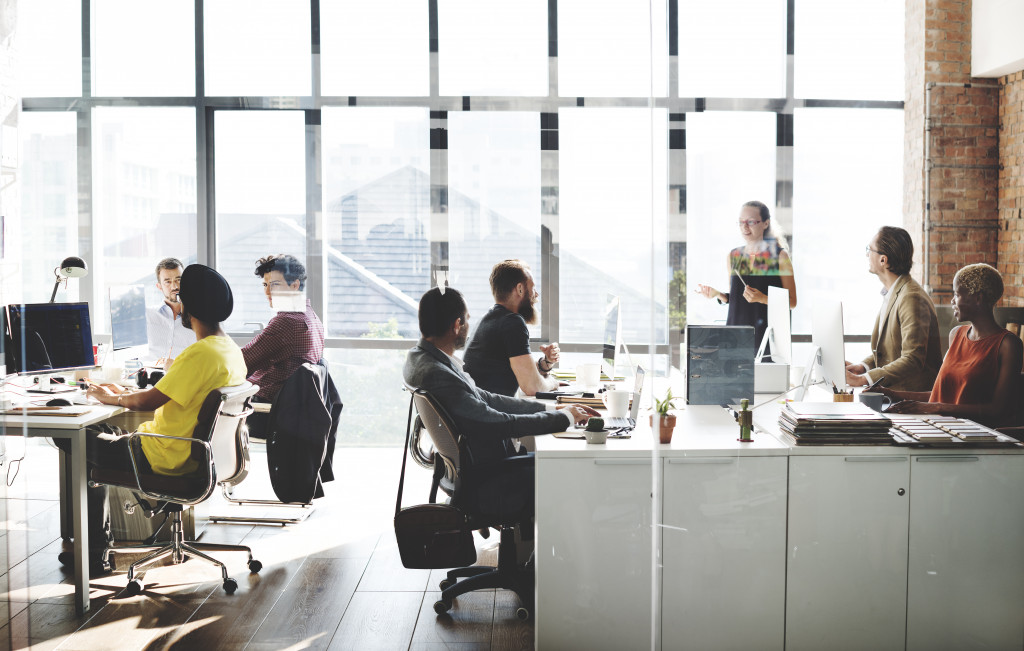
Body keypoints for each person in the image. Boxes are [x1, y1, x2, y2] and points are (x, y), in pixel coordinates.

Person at [60, 264, 246, 572]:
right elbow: (168, 392)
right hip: (190, 454)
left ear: (189, 307)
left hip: (160, 456)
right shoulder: (228, 350)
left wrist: (110, 396)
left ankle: (93, 555)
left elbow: (148, 400)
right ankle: (94, 547)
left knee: (72, 436)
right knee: (98, 430)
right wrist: (119, 393)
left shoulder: (200, 353)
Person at [404, 286, 596, 515]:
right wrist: (563, 418)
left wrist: (551, 407)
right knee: (574, 466)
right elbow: (499, 423)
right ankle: (560, 548)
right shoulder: (438, 373)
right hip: (489, 480)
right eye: (466, 320)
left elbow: (485, 397)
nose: (467, 326)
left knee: (560, 460)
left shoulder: (420, 357)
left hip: (469, 471)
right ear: (456, 326)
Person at [880, 263, 1023, 428]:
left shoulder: (1008, 345)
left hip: (975, 436)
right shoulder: (956, 334)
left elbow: (997, 410)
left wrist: (935, 408)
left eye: (957, 294)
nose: (952, 301)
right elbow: (940, 396)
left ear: (978, 298)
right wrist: (892, 394)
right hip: (939, 428)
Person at [844, 226, 942, 391]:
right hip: (894, 395)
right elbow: (890, 352)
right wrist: (863, 368)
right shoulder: (895, 292)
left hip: (910, 398)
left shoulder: (911, 297)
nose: (867, 254)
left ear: (883, 260)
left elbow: (912, 359)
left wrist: (863, 380)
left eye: (870, 250)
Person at [241, 254, 325, 438]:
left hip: (268, 414)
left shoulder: (287, 322)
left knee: (201, 405)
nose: (267, 292)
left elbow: (242, 362)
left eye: (275, 284)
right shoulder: (310, 316)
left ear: (295, 285)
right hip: (291, 410)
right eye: (265, 285)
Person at [696, 201, 797, 352]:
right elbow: (737, 298)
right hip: (734, 338)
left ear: (765, 223)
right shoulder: (734, 256)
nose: (744, 227)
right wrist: (718, 295)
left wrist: (762, 298)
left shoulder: (779, 256)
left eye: (751, 222)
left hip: (766, 340)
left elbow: (792, 302)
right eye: (741, 222)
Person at [463, 260, 560, 397]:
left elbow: (520, 369)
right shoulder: (512, 322)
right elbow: (532, 387)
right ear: (520, 289)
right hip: (491, 413)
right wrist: (552, 383)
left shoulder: (491, 319)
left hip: (481, 408)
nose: (536, 294)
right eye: (533, 288)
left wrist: (546, 363)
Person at [145, 257, 195, 365]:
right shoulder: (146, 316)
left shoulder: (199, 319)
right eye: (167, 282)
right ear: (159, 287)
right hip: (149, 376)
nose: (175, 286)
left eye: (179, 280)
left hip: (184, 377)